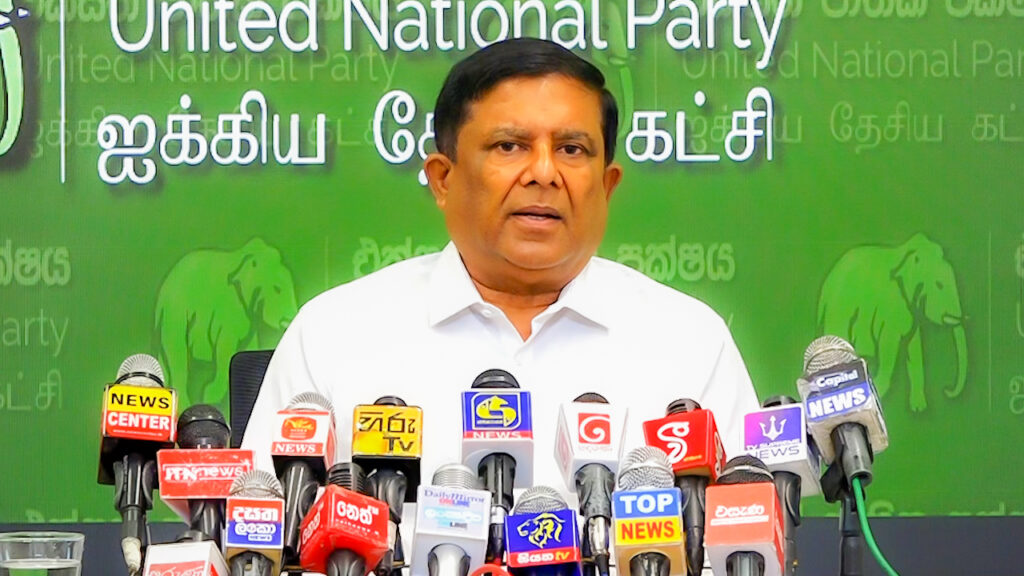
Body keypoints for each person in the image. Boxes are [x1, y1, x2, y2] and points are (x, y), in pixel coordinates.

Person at [242, 35, 758, 514]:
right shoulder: (334, 334)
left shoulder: (689, 343)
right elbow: (256, 534)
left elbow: (747, 537)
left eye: (572, 150)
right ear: (443, 180)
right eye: (509, 146)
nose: (544, 173)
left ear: (607, 186)